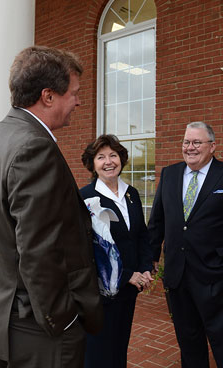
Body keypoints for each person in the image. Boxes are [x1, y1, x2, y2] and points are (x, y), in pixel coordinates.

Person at [0, 46, 104, 368]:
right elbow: (40, 249)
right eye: (74, 93)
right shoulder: (33, 147)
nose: (79, 102)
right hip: (36, 330)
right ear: (48, 96)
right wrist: (63, 320)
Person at [148, 122, 223, 368]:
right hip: (177, 277)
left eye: (197, 142)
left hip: (215, 277)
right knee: (189, 344)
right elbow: (157, 220)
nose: (190, 148)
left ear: (212, 146)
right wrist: (151, 256)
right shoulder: (170, 174)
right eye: (186, 142)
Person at [79, 134, 154, 368]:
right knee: (99, 352)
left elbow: (141, 234)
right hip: (101, 293)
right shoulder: (85, 198)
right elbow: (88, 250)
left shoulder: (131, 194)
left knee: (120, 346)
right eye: (101, 157)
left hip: (129, 289)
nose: (108, 161)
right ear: (92, 164)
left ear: (121, 159)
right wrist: (127, 274)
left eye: (113, 155)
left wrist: (144, 268)